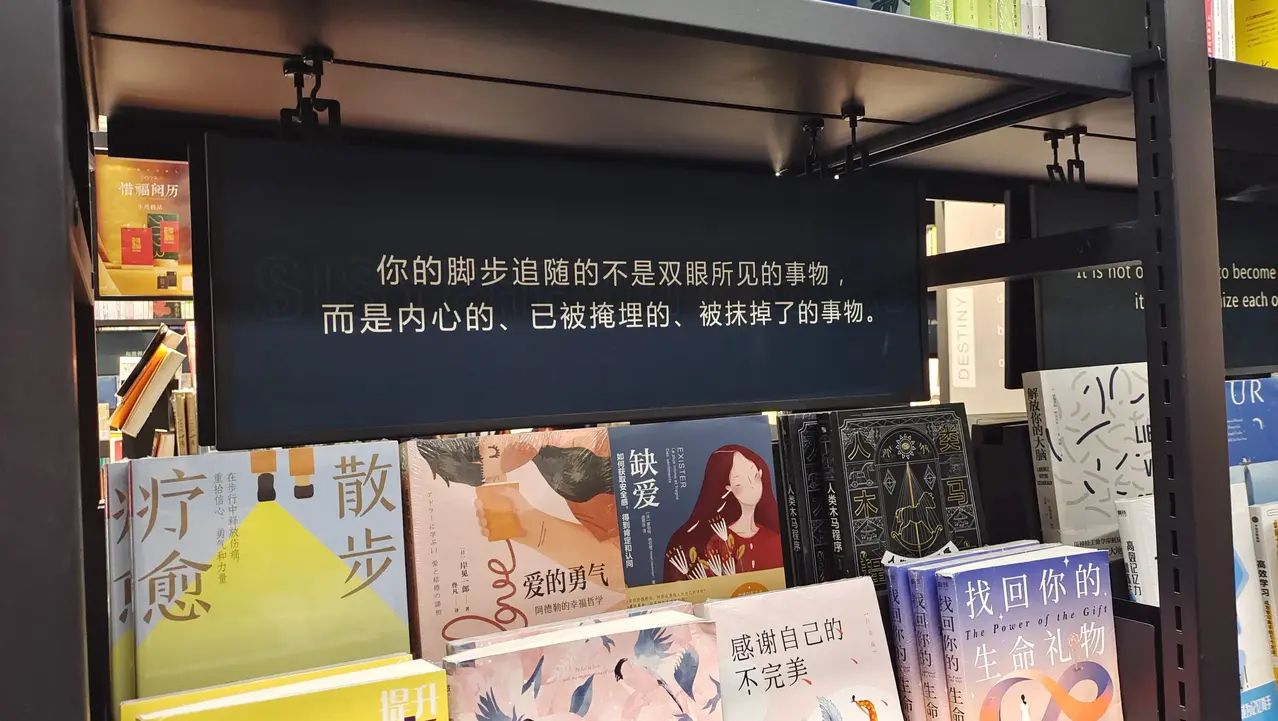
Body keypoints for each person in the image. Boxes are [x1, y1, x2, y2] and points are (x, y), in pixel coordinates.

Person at [663, 444, 782, 582]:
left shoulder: (775, 538)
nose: (751, 486)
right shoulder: (717, 542)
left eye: (754, 476)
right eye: (740, 483)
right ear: (728, 488)